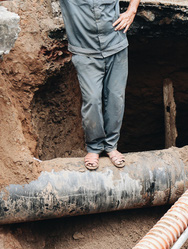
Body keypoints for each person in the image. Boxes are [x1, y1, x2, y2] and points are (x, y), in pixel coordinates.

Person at [57, 0, 140, 170]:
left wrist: (132, 10)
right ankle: (94, 148)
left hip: (116, 46)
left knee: (116, 98)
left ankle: (111, 146)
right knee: (93, 99)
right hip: (85, 53)